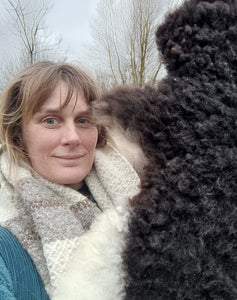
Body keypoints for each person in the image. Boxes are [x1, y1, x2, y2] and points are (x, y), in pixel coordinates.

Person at [0, 61, 140, 299]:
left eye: (83, 120)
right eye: (51, 121)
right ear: (17, 134)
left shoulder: (142, 196)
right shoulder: (6, 242)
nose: (72, 137)